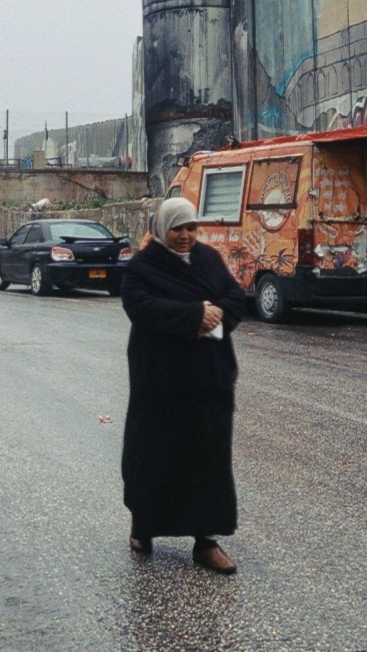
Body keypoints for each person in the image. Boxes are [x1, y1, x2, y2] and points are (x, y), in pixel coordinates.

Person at [119, 196, 249, 575]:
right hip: (160, 379)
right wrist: (194, 314)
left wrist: (217, 312)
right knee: (154, 453)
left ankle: (205, 541)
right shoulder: (143, 266)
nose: (186, 235)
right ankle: (143, 526)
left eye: (192, 228)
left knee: (207, 456)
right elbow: (140, 306)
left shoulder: (208, 258)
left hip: (209, 376)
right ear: (162, 229)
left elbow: (235, 296)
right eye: (178, 228)